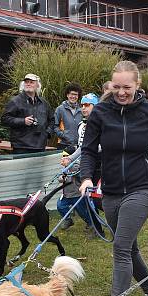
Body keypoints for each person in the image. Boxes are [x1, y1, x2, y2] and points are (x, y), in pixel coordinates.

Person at [79, 60, 148, 296]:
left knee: (121, 247)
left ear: (138, 85)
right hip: (111, 191)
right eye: (116, 87)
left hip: (142, 187)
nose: (121, 92)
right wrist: (87, 177)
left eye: (127, 87)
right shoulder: (100, 113)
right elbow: (89, 151)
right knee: (130, 248)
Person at [57, 92, 103, 238]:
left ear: (95, 106)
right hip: (87, 165)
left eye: (87, 105)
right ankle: (96, 228)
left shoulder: (103, 123)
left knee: (99, 199)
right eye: (82, 105)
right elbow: (82, 146)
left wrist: (87, 151)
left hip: (101, 164)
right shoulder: (81, 125)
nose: (83, 108)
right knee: (86, 196)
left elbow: (99, 146)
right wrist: (71, 158)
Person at [1, 73, 54, 154]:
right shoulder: (15, 101)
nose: (28, 84)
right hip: (21, 146)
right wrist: (23, 121)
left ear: (37, 85)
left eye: (31, 82)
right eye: (26, 82)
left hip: (40, 145)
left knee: (38, 167)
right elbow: (4, 119)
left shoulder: (44, 103)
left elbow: (52, 120)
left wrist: (47, 133)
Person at [53, 83, 82, 149]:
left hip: (78, 146)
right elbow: (55, 126)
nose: (73, 97)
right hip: (63, 144)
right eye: (72, 94)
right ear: (67, 95)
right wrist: (64, 135)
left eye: (76, 95)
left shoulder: (81, 110)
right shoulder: (60, 109)